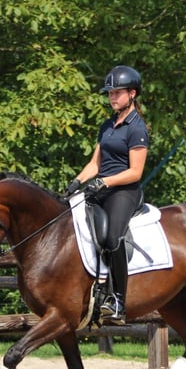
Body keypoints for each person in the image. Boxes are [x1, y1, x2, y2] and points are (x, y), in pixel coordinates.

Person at [65, 65, 150, 325]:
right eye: (110, 93)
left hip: (124, 192)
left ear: (132, 94)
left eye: (117, 93)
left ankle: (118, 302)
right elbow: (95, 163)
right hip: (101, 187)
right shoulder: (108, 125)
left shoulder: (137, 129)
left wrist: (103, 183)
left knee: (113, 237)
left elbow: (135, 172)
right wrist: (78, 181)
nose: (112, 97)